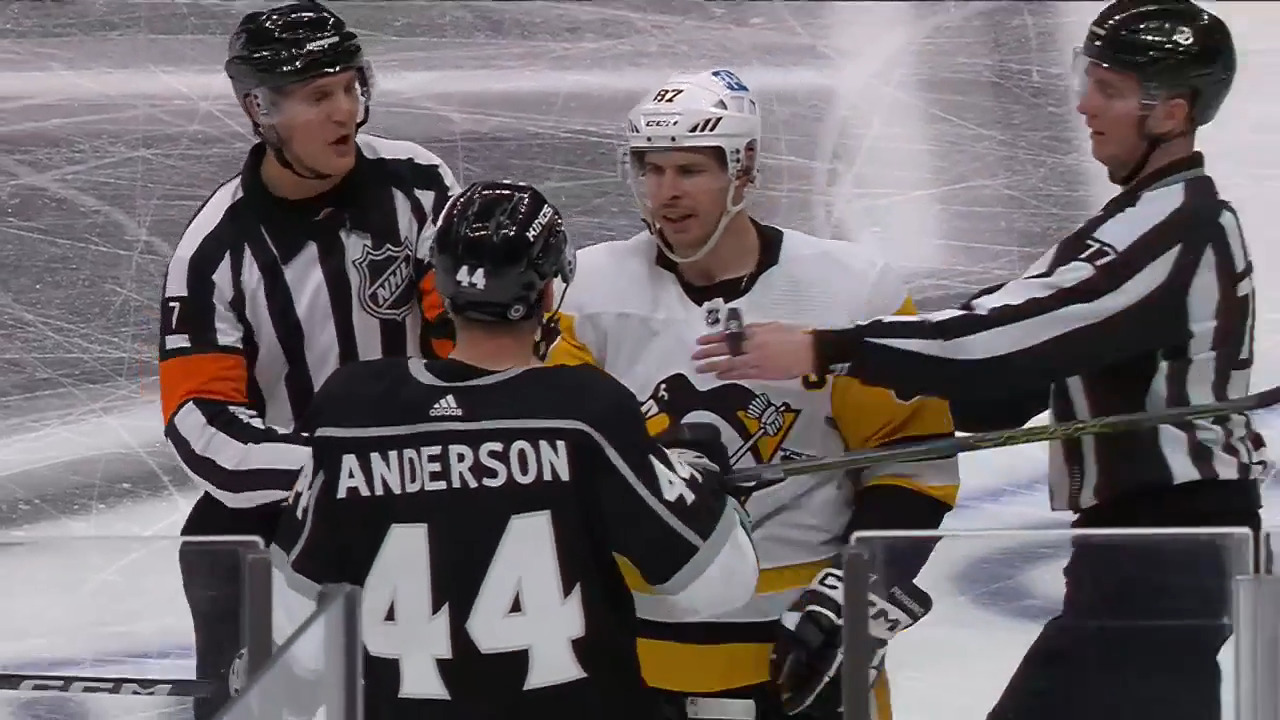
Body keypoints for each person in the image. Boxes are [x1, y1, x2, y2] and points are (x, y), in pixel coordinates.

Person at [691, 3, 1266, 719]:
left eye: (1110, 90)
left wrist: (826, 350)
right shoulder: (1148, 220)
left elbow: (1006, 338)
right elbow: (1010, 360)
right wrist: (871, 418)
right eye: (1089, 78)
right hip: (1150, 554)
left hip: (1165, 552)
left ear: (1172, 112)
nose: (1085, 103)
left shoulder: (1175, 227)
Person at [544, 68, 961, 720]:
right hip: (635, 655)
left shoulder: (851, 290)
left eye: (689, 171)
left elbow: (911, 462)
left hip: (803, 647)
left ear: (744, 169)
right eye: (651, 171)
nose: (666, 194)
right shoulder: (586, 291)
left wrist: (853, 598)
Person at [266, 180, 760, 720]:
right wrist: (696, 480)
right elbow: (717, 584)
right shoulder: (586, 415)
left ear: (442, 286)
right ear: (549, 292)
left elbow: (296, 631)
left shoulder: (351, 415)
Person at [157, 2, 459, 717]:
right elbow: (201, 420)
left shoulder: (419, 186)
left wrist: (442, 451)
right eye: (320, 95)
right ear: (258, 108)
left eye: (352, 86)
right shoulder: (213, 253)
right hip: (287, 523)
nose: (346, 112)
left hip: (427, 500)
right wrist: (328, 468)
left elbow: (467, 345)